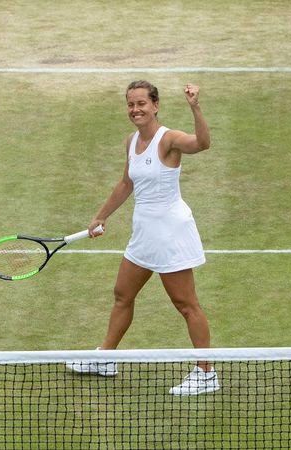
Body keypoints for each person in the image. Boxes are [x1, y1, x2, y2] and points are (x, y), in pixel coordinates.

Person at [68, 80, 219, 396]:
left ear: (155, 106)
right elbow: (126, 183)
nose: (135, 110)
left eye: (141, 104)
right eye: (130, 104)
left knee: (186, 304)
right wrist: (101, 216)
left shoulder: (169, 140)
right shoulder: (131, 141)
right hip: (144, 234)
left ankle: (206, 373)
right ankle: (106, 359)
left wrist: (195, 107)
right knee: (123, 293)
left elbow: (202, 143)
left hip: (170, 233)